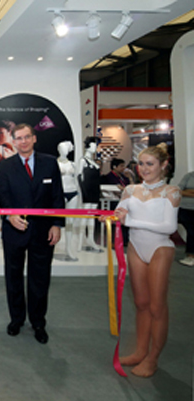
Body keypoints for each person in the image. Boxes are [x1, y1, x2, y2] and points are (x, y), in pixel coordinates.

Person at [111, 144, 180, 377]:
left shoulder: (171, 191)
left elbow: (169, 227)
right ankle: (141, 351)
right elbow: (118, 214)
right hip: (136, 248)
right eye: (141, 163)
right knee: (141, 303)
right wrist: (110, 218)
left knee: (157, 306)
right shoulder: (130, 190)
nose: (144, 168)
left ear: (164, 165)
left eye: (150, 164)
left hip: (160, 248)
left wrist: (130, 221)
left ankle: (153, 358)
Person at [0, 123, 64, 344]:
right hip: (14, 230)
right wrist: (10, 215)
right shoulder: (5, 166)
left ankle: (38, 322)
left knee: (40, 279)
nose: (23, 141)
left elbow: (57, 195)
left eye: (27, 137)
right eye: (19, 138)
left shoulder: (50, 163)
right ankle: (16, 319)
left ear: (34, 138)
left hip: (43, 231)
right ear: (13, 141)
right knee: (13, 277)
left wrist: (57, 224)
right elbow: (2, 194)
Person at [76, 137, 102, 252]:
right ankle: (80, 240)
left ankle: (90, 239)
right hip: (86, 191)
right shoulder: (83, 161)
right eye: (93, 145)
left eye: (96, 145)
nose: (95, 147)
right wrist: (82, 192)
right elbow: (78, 177)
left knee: (92, 215)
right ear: (88, 146)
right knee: (85, 215)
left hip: (95, 190)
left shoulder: (94, 162)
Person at [177, 170, 194, 266]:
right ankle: (190, 256)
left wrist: (188, 191)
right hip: (185, 209)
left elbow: (183, 191)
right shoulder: (189, 176)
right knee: (191, 231)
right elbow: (179, 190)